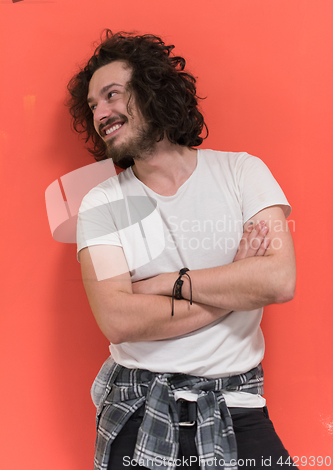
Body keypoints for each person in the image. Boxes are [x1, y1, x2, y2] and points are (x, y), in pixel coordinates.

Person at [67, 31, 296, 470]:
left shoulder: (243, 172)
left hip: (237, 405)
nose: (100, 113)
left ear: (153, 91)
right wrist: (235, 280)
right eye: (93, 105)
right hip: (139, 406)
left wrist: (161, 286)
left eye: (111, 95)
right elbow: (117, 320)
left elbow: (278, 280)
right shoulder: (101, 203)